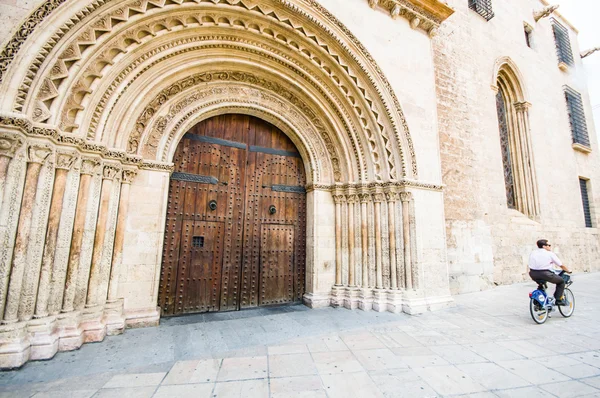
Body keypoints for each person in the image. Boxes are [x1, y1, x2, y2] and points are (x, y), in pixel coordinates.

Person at [529, 239, 572, 305]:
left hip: (533, 273)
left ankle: (540, 300)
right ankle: (558, 300)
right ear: (544, 246)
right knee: (561, 281)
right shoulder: (550, 254)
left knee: (541, 284)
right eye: (549, 245)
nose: (550, 247)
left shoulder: (533, 252)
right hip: (545, 274)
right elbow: (561, 265)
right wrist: (568, 271)